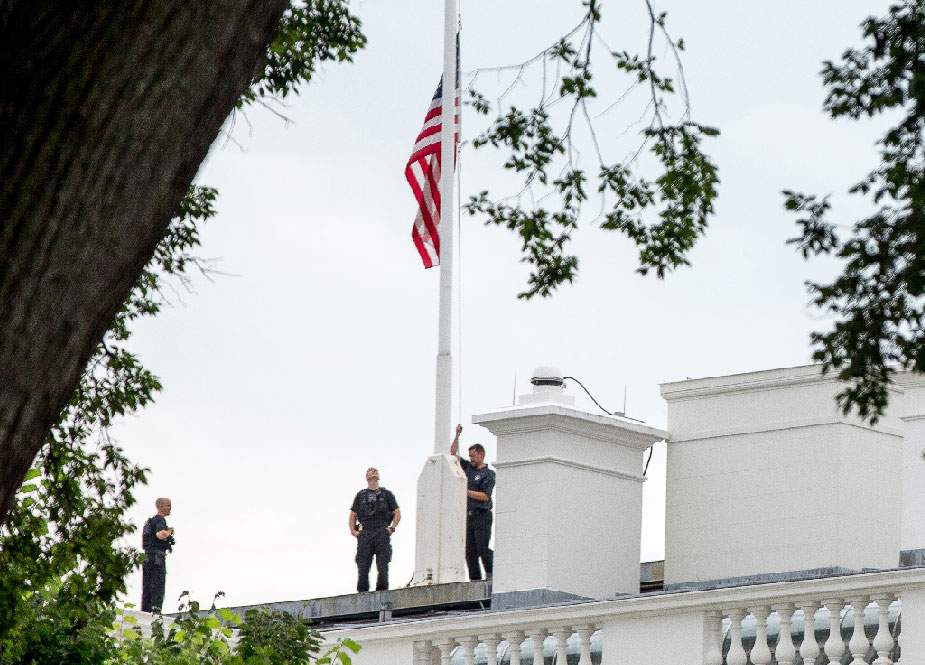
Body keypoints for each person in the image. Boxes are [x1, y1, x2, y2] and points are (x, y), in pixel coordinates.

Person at [450, 424, 496, 580]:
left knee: (482, 548)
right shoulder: (468, 468)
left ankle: (491, 573)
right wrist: (457, 436)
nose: (471, 459)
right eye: (470, 456)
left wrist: (466, 492)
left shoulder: (488, 474)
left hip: (482, 515)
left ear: (481, 455)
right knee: (470, 552)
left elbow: (485, 496)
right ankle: (475, 579)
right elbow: (453, 454)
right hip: (468, 516)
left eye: (474, 456)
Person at [349, 467, 400, 592]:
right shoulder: (361, 495)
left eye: (375, 471)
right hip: (365, 532)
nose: (373, 471)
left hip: (382, 531)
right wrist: (354, 531)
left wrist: (392, 528)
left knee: (383, 565)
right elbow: (352, 515)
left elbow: (397, 513)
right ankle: (362, 594)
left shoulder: (387, 494)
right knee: (363, 566)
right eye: (370, 471)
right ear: (366, 477)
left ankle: (382, 593)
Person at [141, 497, 175, 612]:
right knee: (157, 588)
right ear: (161, 506)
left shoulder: (149, 522)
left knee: (147, 588)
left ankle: (145, 612)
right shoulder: (160, 520)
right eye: (168, 505)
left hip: (146, 558)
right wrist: (169, 532)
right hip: (157, 559)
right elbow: (160, 535)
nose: (170, 508)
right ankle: (155, 613)